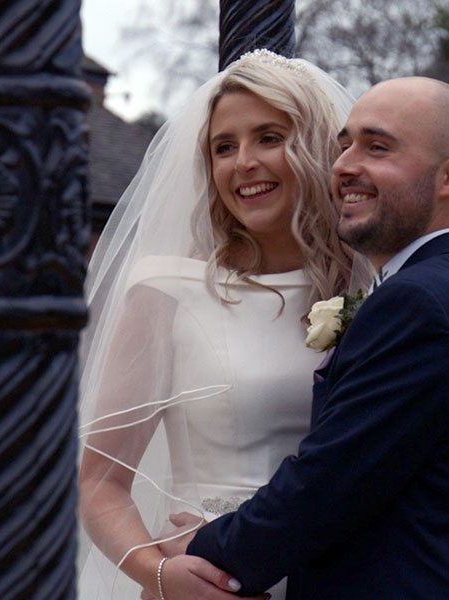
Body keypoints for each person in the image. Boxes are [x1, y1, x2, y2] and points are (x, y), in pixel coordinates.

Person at [184, 77, 449, 599]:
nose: (345, 165)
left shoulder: (420, 302)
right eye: (344, 144)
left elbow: (326, 485)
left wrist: (201, 555)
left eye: (378, 147)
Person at [76, 49, 363, 600]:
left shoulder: (370, 293)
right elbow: (100, 481)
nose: (243, 162)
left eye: (270, 137)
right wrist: (160, 575)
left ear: (317, 147)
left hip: (342, 579)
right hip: (209, 583)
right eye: (223, 147)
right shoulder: (165, 291)